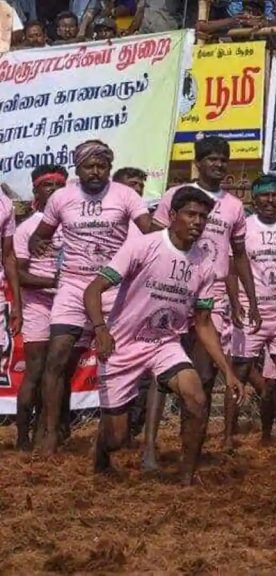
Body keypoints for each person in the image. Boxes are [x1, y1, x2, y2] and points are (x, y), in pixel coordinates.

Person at [83, 186, 242, 483]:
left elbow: (204, 323)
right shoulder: (142, 246)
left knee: (196, 397)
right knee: (118, 437)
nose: (197, 222)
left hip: (165, 344)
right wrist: (100, 329)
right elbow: (93, 290)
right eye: (190, 214)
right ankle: (102, 452)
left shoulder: (204, 267)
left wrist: (227, 371)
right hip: (123, 345)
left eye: (203, 217)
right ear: (172, 216)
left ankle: (186, 478)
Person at [29, 140, 151, 454]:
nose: (96, 172)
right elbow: (39, 236)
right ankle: (50, 432)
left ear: (110, 168)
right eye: (89, 166)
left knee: (118, 360)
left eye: (102, 166)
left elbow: (149, 233)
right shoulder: (62, 197)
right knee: (57, 357)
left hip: (112, 287)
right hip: (71, 286)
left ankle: (115, 435)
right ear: (77, 168)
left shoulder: (125, 195)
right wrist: (37, 245)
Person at [145, 136, 258, 469]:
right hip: (171, 290)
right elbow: (154, 241)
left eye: (223, 159)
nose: (218, 164)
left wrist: (245, 300)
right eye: (211, 158)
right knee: (161, 371)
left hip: (213, 295)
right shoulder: (173, 196)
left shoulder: (235, 206)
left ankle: (188, 449)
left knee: (205, 373)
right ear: (198, 162)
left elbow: (239, 255)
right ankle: (149, 448)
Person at [227, 176, 276, 451]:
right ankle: (228, 437)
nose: (270, 200)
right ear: (254, 198)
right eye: (264, 195)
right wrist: (236, 303)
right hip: (252, 311)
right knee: (240, 373)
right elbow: (232, 270)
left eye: (275, 195)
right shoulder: (242, 228)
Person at [13, 164, 65, 449]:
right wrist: (53, 280)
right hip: (38, 305)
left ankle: (50, 433)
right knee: (36, 370)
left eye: (60, 186)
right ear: (36, 191)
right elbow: (19, 274)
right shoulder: (27, 228)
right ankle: (22, 437)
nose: (55, 191)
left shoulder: (72, 222)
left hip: (68, 304)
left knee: (58, 372)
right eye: (48, 186)